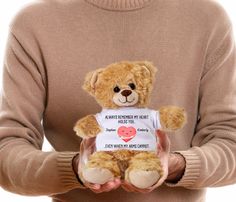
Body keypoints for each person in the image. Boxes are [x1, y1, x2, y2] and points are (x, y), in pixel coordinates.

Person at [0, 0, 235, 201]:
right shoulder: (33, 24)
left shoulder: (207, 18)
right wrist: (76, 168)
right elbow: (6, 153)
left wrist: (176, 165)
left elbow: (230, 142)